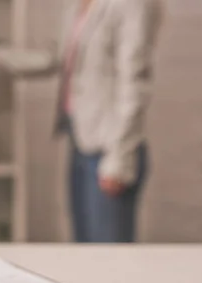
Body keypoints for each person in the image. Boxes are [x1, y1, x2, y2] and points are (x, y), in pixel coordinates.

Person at [56, 0, 162, 243]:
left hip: (110, 149)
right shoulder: (78, 5)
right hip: (81, 137)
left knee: (110, 262)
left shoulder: (132, 4)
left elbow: (135, 83)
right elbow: (63, 60)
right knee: (84, 255)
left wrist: (119, 157)